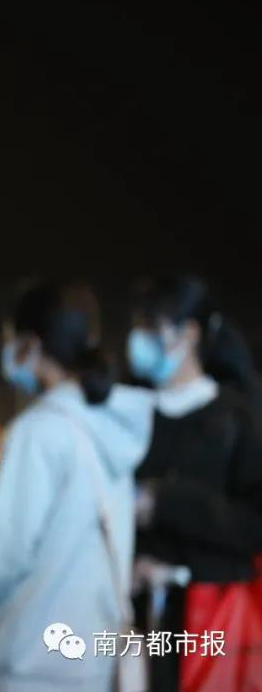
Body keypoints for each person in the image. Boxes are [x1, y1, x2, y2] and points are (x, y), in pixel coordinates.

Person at [0, 280, 153, 692]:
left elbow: (2, 558)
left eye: (9, 338)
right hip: (90, 665)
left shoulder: (39, 432)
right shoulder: (111, 432)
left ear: (29, 343)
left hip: (25, 662)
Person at [126, 274, 262, 689]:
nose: (138, 339)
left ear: (189, 333)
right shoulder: (127, 411)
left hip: (210, 620)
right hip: (131, 620)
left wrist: (165, 503)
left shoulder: (237, 417)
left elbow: (253, 525)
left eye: (152, 326)